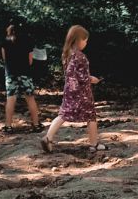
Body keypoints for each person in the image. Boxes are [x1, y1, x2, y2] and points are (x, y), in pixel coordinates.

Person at [41, 25, 105, 154]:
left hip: (69, 90)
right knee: (91, 116)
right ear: (78, 40)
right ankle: (94, 144)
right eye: (85, 40)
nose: (86, 43)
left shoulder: (67, 54)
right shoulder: (80, 56)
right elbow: (82, 77)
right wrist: (92, 79)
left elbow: (70, 74)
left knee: (63, 114)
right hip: (82, 93)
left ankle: (48, 137)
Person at [0, 23, 42, 133]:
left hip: (10, 74)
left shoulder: (5, 42)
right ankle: (36, 125)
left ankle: (8, 126)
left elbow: (5, 59)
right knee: (30, 98)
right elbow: (30, 61)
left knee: (11, 99)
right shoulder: (27, 40)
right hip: (25, 74)